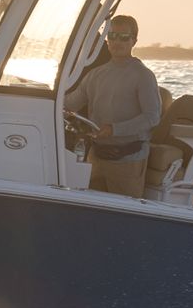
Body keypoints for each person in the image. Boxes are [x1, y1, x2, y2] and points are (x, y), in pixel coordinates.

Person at [63, 13, 161, 197]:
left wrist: (114, 129)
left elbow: (152, 117)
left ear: (134, 41)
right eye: (112, 36)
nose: (117, 42)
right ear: (106, 40)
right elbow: (71, 103)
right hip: (96, 156)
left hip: (128, 160)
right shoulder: (95, 74)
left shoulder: (143, 75)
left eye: (124, 37)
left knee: (126, 218)